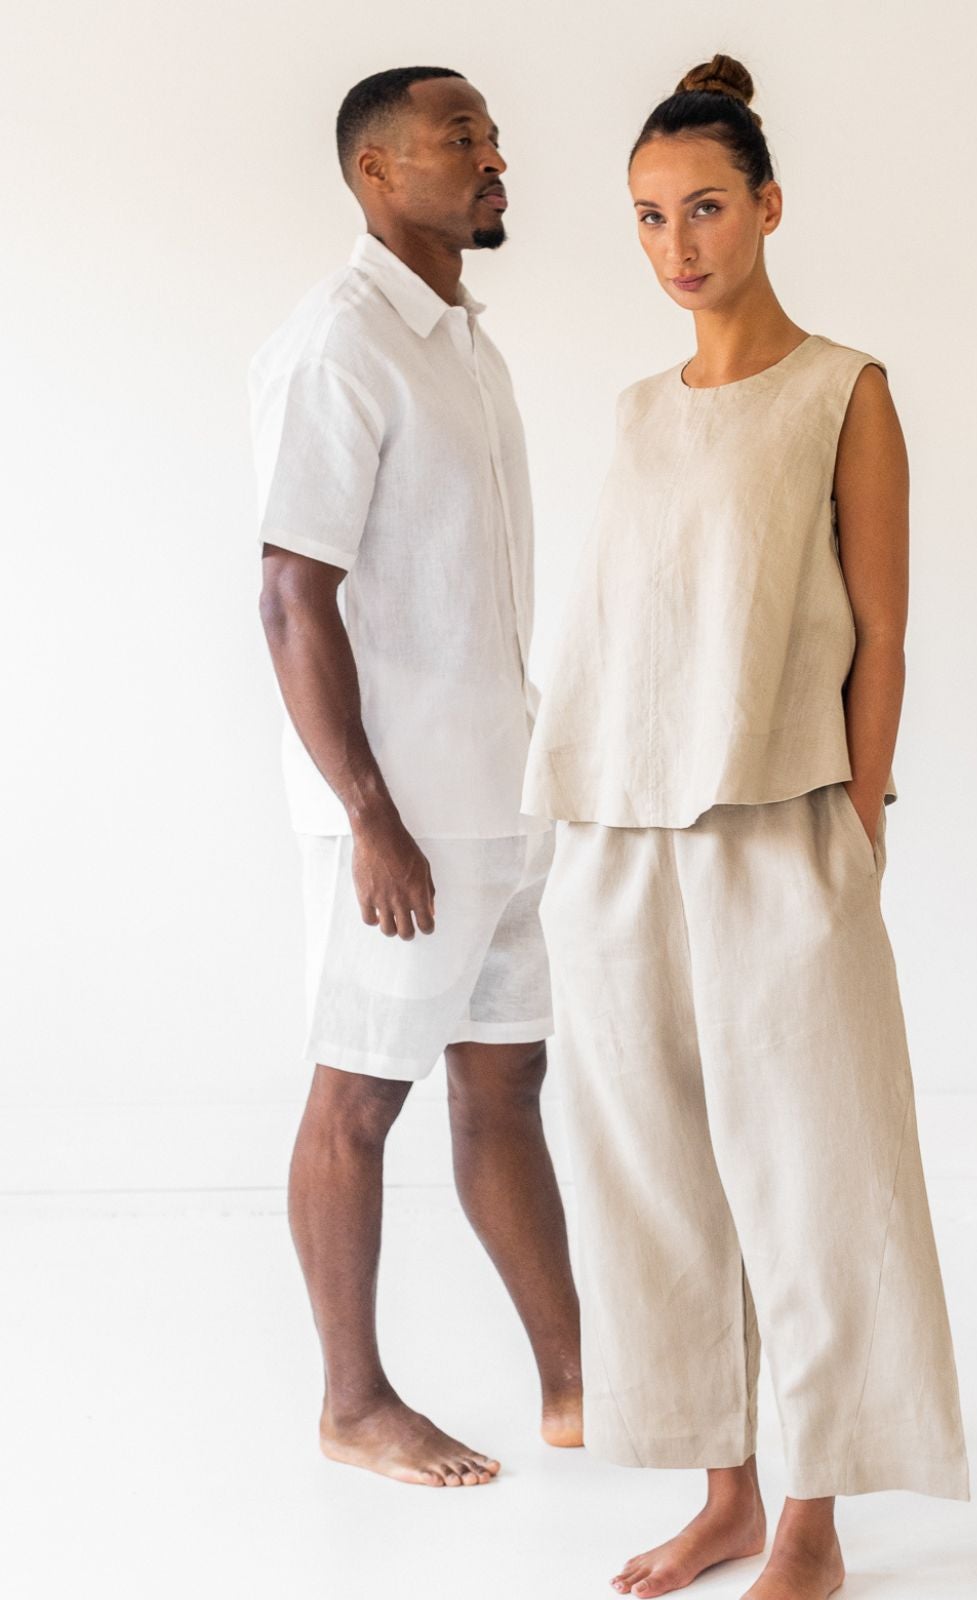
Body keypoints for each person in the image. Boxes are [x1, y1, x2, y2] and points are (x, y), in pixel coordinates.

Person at [522, 53, 970, 1599]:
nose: (678, 246)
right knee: (653, 1171)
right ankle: (725, 1494)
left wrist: (864, 820)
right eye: (650, 218)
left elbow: (884, 633)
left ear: (770, 206)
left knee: (818, 1173)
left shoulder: (845, 390)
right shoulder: (639, 409)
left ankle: (812, 1527)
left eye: (705, 208)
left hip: (781, 826)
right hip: (615, 838)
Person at [250, 66, 581, 1487]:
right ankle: (353, 1404)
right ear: (377, 171)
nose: (495, 158)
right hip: (398, 823)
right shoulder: (340, 345)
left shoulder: (463, 344)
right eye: (462, 139)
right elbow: (290, 595)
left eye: (494, 137)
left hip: (497, 798)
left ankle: (576, 1383)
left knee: (506, 1080)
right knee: (359, 1097)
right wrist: (370, 815)